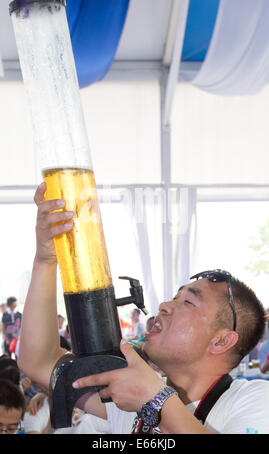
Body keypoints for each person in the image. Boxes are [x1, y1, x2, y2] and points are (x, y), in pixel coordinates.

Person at [18, 183, 269, 434]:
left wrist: (156, 399)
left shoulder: (253, 400)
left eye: (189, 302)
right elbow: (39, 362)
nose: (164, 305)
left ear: (222, 340)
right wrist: (46, 258)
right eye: (175, 296)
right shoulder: (132, 393)